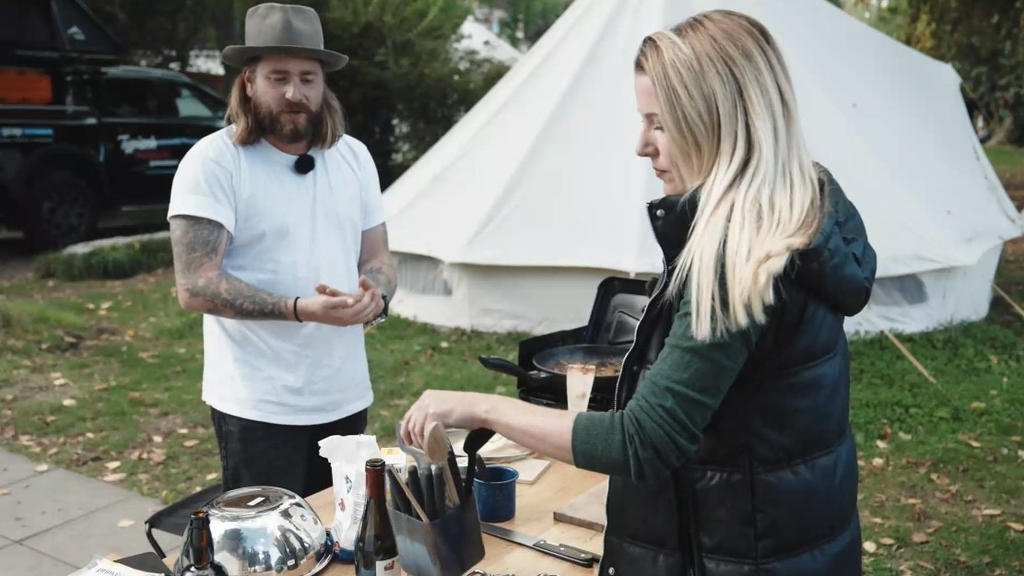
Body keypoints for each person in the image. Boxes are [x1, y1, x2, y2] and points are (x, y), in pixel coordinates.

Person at [401, 10, 875, 576]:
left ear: (715, 121)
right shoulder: (802, 210)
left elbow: (642, 441)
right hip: (790, 542)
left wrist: (480, 406)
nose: (640, 145)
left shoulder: (738, 257)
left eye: (660, 123)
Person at [168, 2, 396, 497]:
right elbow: (195, 286)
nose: (296, 93)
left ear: (323, 83)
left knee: (342, 539)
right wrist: (301, 310)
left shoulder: (354, 158)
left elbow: (377, 259)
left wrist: (374, 296)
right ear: (249, 81)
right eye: (279, 77)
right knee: (267, 560)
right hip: (258, 408)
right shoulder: (214, 162)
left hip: (343, 396)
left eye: (308, 78)